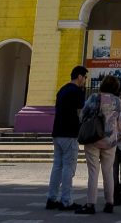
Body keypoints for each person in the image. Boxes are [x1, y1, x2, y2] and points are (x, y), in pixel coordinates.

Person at [77, 74, 121, 215]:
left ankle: (91, 204)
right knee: (108, 172)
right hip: (110, 140)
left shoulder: (94, 98)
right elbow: (120, 122)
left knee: (93, 172)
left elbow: (82, 115)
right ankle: (110, 203)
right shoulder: (118, 101)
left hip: (94, 137)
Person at [46, 65, 87, 212]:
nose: (85, 81)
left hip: (57, 131)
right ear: (80, 76)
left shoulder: (62, 90)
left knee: (57, 166)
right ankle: (66, 201)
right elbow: (80, 112)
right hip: (70, 133)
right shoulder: (77, 92)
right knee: (69, 167)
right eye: (85, 77)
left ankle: (51, 199)